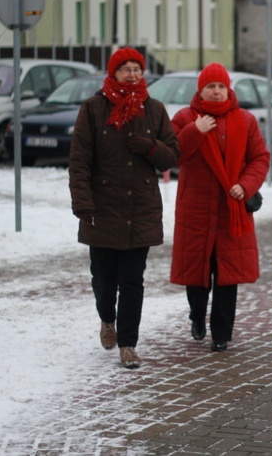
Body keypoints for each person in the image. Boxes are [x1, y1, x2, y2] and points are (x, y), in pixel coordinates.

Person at [69, 47, 180, 369]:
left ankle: (128, 344)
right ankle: (107, 319)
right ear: (113, 73)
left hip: (140, 208)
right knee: (104, 279)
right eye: (125, 69)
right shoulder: (93, 108)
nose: (132, 74)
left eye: (136, 69)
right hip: (101, 207)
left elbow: (173, 156)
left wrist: (151, 147)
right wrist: (82, 202)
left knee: (133, 281)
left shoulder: (155, 109)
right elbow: (79, 160)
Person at [169, 62, 270, 353]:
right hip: (196, 209)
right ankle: (197, 316)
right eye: (210, 87)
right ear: (200, 90)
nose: (215, 91)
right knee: (198, 272)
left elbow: (260, 158)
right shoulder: (185, 117)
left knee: (227, 275)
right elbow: (173, 155)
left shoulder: (246, 120)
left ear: (228, 89)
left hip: (232, 209)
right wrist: (194, 130)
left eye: (220, 86)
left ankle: (222, 334)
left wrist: (246, 185)